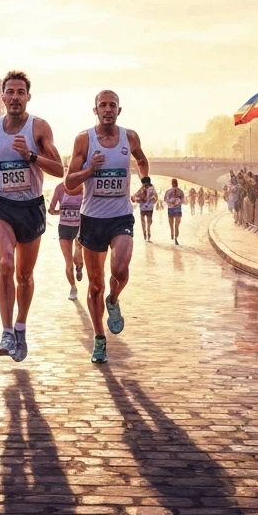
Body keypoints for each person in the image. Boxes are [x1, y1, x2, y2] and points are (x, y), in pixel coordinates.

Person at [0, 71, 65, 362]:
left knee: (24, 274)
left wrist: (31, 156)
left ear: (28, 97)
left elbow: (60, 170)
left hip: (31, 207)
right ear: (2, 97)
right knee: (6, 262)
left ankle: (21, 326)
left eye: (20, 92)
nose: (15, 97)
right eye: (10, 91)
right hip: (0, 205)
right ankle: (6, 330)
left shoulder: (39, 128)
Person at [65, 89, 151, 364]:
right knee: (94, 285)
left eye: (112, 105)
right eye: (102, 105)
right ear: (95, 111)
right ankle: (99, 338)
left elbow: (141, 159)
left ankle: (114, 300)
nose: (107, 109)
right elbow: (69, 182)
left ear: (119, 110)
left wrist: (146, 183)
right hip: (92, 219)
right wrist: (90, 169)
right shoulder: (84, 139)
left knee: (120, 269)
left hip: (121, 216)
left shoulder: (130, 137)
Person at [48, 182, 84, 300]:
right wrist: (62, 211)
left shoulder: (84, 186)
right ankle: (73, 288)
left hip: (80, 227)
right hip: (64, 228)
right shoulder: (59, 188)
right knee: (68, 263)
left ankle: (79, 267)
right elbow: (51, 210)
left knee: (77, 257)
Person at [136, 176, 157, 241]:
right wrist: (153, 201)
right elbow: (156, 198)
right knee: (149, 221)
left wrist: (139, 200)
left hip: (142, 207)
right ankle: (148, 230)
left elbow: (136, 196)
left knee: (143, 221)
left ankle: (144, 232)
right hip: (150, 208)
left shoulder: (141, 189)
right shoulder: (153, 189)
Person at [164, 179, 185, 244]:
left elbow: (165, 199)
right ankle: (175, 235)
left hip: (171, 208)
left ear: (172, 183)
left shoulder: (168, 191)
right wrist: (177, 203)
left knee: (171, 223)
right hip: (177, 208)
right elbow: (182, 200)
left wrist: (171, 203)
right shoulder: (180, 191)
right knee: (176, 224)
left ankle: (172, 232)